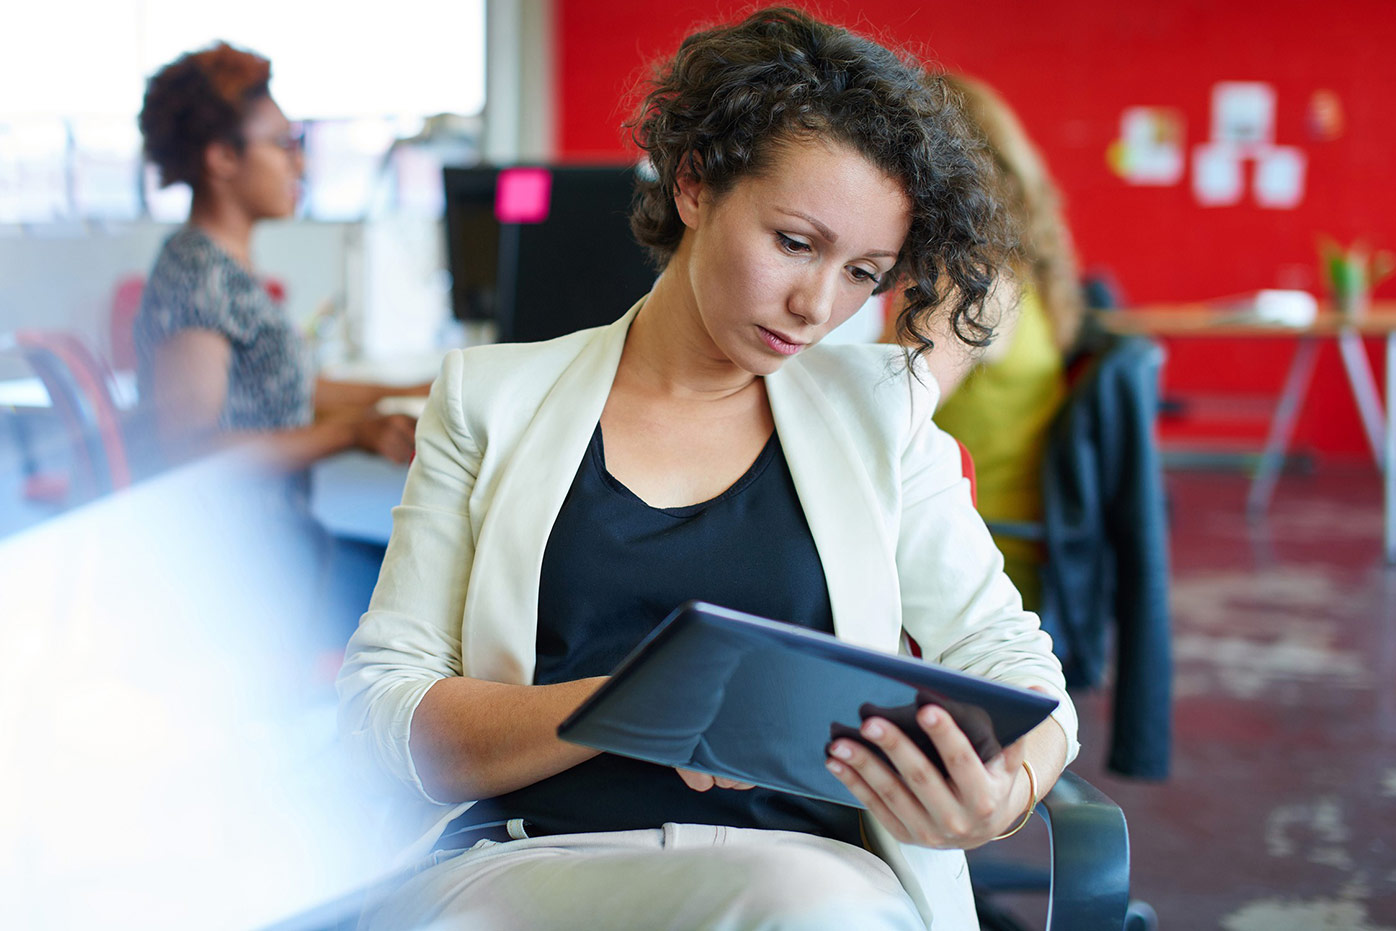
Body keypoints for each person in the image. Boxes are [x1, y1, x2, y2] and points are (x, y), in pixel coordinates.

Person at [338, 9, 1078, 930]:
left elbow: (1017, 668)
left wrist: (1004, 794)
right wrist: (640, 704)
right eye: (795, 243)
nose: (817, 305)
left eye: (864, 273)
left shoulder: (880, 412)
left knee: (813, 910)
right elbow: (385, 713)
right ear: (694, 184)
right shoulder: (491, 399)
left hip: (805, 875)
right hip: (529, 866)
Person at [134, 41, 423, 471]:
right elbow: (190, 450)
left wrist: (411, 392)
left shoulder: (225, 266)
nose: (299, 165)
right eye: (282, 144)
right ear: (222, 157)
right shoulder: (198, 273)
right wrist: (350, 433)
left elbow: (292, 388)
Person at [883, 75, 1087, 610]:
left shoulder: (972, 282)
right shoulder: (1022, 272)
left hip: (969, 564)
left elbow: (882, 416)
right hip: (1001, 549)